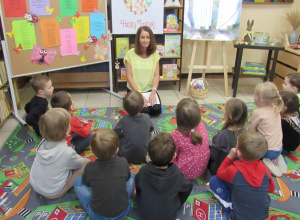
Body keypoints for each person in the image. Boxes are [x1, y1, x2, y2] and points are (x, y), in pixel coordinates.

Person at [208, 131, 275, 220]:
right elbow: (271, 189)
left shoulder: (234, 170)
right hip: (263, 214)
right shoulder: (265, 170)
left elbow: (219, 173)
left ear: (238, 152)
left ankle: (228, 205)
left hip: (238, 216)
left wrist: (230, 156)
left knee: (214, 180)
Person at [74, 128, 134, 220]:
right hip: (123, 211)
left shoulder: (90, 167)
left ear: (92, 150)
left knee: (77, 181)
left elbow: (86, 183)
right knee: (132, 176)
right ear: (117, 150)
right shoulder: (123, 162)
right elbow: (128, 177)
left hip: (97, 216)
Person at [30, 108, 90, 199]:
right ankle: (66, 187)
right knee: (86, 162)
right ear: (67, 132)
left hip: (35, 185)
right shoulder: (67, 152)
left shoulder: (42, 143)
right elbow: (79, 163)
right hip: (53, 192)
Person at [135, 132, 193, 220]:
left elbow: (138, 186)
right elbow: (187, 187)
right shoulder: (176, 173)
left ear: (148, 154)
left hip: (145, 214)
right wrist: (179, 202)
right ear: (174, 156)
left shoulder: (143, 170)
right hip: (169, 216)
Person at [248, 82, 286, 177]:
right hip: (279, 148)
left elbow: (250, 131)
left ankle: (266, 162)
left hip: (266, 151)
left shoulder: (258, 113)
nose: (253, 96)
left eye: (255, 94)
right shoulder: (276, 108)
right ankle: (278, 158)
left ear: (260, 100)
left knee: (247, 144)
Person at [205, 98, 248, 180]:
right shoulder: (247, 133)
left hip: (222, 169)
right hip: (239, 169)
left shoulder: (222, 135)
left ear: (229, 116)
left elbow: (214, 155)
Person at [124, 26, 161, 116]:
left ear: (151, 39)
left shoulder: (154, 54)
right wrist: (139, 94)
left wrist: (153, 92)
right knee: (144, 112)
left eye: (148, 37)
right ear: (138, 39)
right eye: (142, 37)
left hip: (149, 90)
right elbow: (129, 77)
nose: (145, 40)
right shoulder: (130, 54)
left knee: (156, 110)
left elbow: (156, 75)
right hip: (135, 90)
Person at [171, 98, 210, 180]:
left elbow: (173, 154)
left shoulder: (177, 135)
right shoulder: (202, 126)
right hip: (201, 168)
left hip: (184, 172)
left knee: (162, 153)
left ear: (178, 119)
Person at [113, 91, 154, 164]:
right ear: (142, 106)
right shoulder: (146, 117)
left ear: (125, 108)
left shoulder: (124, 120)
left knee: (119, 138)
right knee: (149, 134)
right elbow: (151, 128)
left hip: (126, 155)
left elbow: (115, 133)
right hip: (144, 154)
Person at [280, 91, 300, 155]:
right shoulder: (296, 114)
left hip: (285, 149)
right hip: (293, 146)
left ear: (284, 109)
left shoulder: (283, 121)